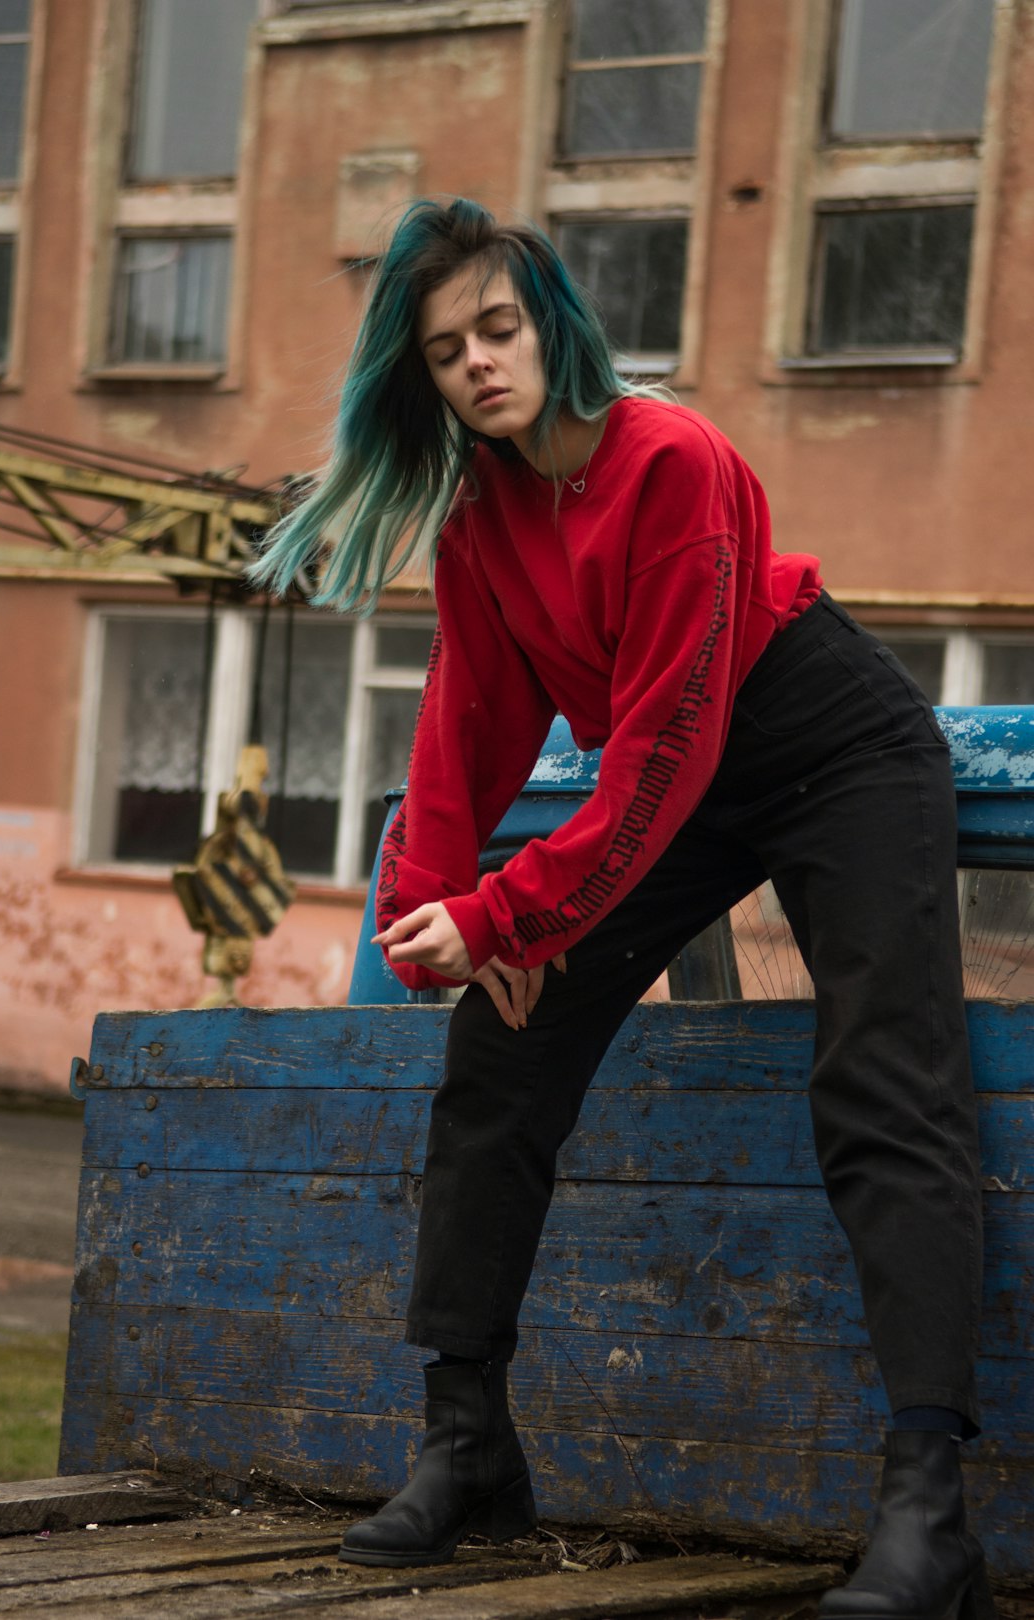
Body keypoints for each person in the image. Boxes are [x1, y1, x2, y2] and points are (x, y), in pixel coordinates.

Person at [250, 198, 993, 1620]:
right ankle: (468, 1445)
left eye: (500, 328)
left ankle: (927, 1509)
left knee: (885, 1082)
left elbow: (660, 753)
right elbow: (469, 724)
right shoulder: (482, 511)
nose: (477, 362)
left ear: (554, 324)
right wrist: (442, 922)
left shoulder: (674, 460)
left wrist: (513, 911)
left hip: (830, 747)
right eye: (446, 346)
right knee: (500, 1059)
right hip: (676, 780)